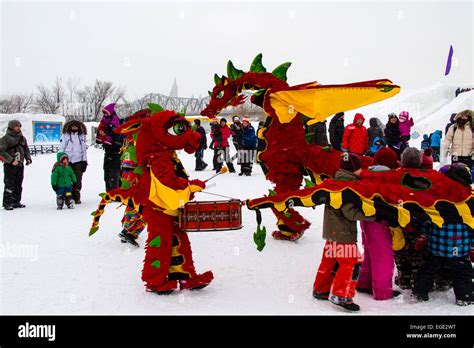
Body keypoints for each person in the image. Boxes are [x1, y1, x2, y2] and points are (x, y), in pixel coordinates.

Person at [312, 153, 376, 312]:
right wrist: (372, 214)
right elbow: (350, 212)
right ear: (354, 170)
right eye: (360, 167)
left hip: (331, 231)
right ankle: (342, 295)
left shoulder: (335, 181)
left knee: (329, 259)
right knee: (351, 263)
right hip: (343, 234)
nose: (362, 170)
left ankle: (321, 288)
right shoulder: (348, 187)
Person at [413, 163, 473, 306]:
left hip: (437, 246)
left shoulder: (437, 199)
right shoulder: (469, 202)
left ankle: (420, 291)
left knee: (429, 269)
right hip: (460, 248)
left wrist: (423, 235)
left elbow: (428, 221)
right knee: (463, 273)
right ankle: (464, 296)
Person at [356, 147, 401, 300]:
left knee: (369, 252)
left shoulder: (365, 174)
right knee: (383, 256)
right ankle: (382, 292)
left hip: (366, 220)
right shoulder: (390, 178)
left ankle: (364, 282)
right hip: (380, 221)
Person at [0, 120, 32, 210]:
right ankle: (8, 203)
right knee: (9, 184)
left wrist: (28, 158)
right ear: (11, 127)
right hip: (10, 165)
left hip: (20, 164)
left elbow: (26, 149)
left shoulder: (22, 138)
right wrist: (11, 160)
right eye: (16, 126)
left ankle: (16, 201)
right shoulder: (6, 138)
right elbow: (1, 151)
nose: (18, 128)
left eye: (19, 126)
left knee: (19, 183)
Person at [96, 103, 124, 191]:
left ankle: (115, 192)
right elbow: (100, 130)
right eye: (104, 113)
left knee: (114, 174)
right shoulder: (105, 120)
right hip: (108, 152)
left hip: (116, 152)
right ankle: (109, 192)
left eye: (106, 113)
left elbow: (117, 135)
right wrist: (100, 136)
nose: (104, 115)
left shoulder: (115, 121)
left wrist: (107, 135)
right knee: (107, 174)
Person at [59, 120, 88, 204]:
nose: (74, 128)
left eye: (76, 126)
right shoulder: (65, 136)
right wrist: (61, 159)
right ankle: (68, 197)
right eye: (73, 126)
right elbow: (61, 148)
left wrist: (84, 161)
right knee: (67, 180)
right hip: (67, 161)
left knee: (77, 180)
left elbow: (84, 150)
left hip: (78, 161)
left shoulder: (81, 136)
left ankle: (76, 197)